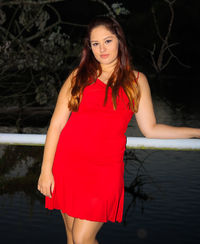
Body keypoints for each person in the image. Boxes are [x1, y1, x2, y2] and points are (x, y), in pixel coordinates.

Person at [37, 16, 200, 244]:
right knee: (72, 238)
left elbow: (151, 129)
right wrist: (46, 171)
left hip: (104, 171)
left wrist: (195, 132)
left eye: (107, 41)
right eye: (95, 44)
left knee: (83, 239)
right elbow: (56, 125)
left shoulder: (135, 80)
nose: (102, 48)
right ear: (89, 47)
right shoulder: (78, 76)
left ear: (119, 41)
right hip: (67, 166)